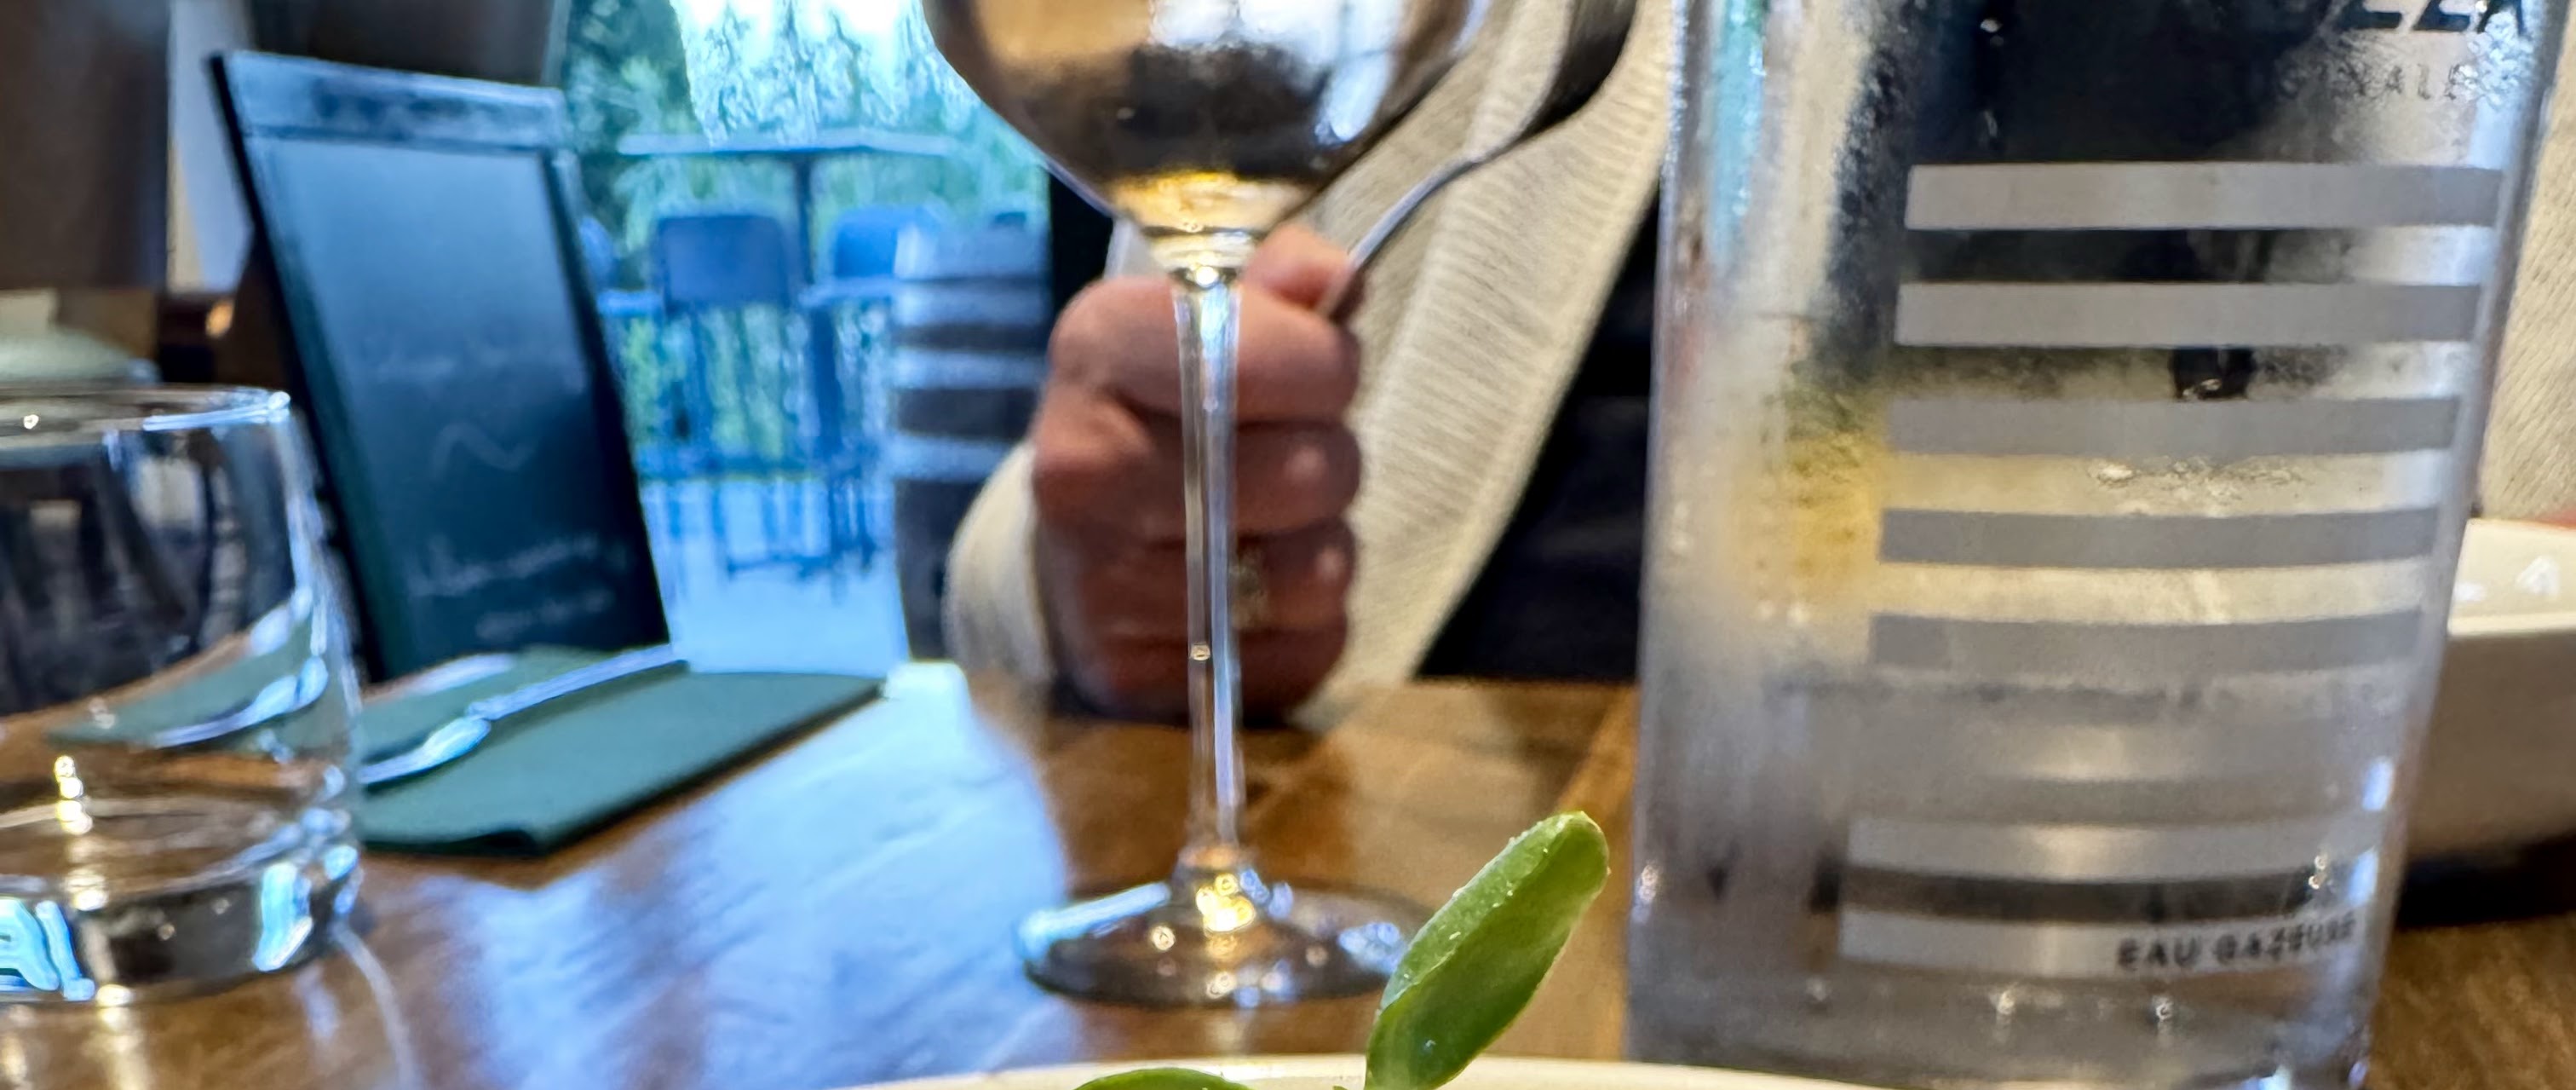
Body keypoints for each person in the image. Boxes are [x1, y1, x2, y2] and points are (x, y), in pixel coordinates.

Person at [943, 0, 2576, 726]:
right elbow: (1068, 497)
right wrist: (1111, 568)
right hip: (1473, 909)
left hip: (2338, 941)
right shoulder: (1461, 36)